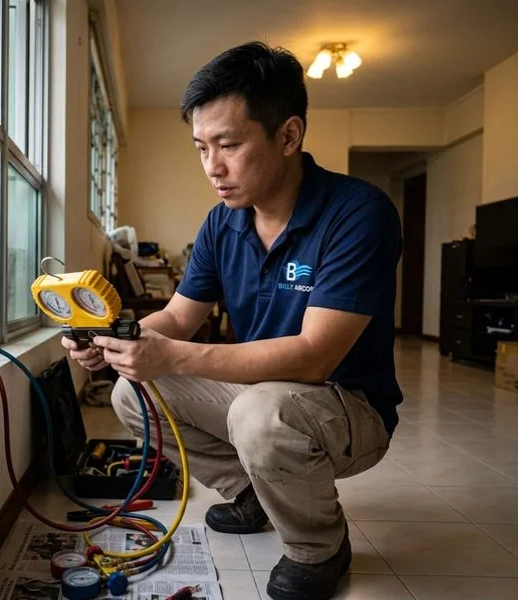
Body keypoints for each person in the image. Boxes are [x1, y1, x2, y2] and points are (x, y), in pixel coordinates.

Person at [62, 41, 403, 600]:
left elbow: (316, 355)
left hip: (349, 408)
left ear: (289, 136)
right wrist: (118, 342)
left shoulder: (357, 213)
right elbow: (178, 316)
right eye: (201, 147)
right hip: (263, 396)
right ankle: (252, 493)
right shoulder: (224, 223)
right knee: (131, 392)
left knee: (260, 414)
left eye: (229, 145)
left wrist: (171, 354)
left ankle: (319, 546)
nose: (212, 167)